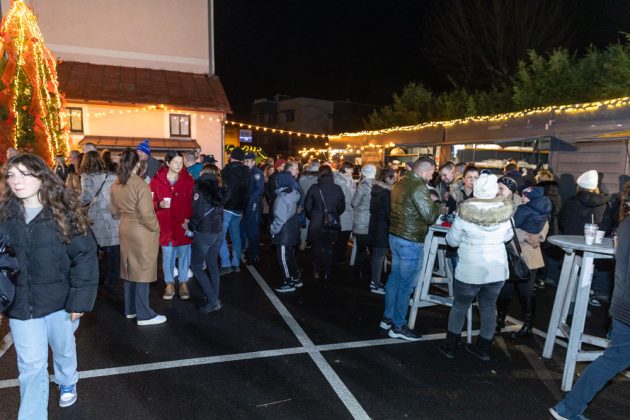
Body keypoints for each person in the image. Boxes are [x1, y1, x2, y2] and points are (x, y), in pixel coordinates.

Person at [0, 154, 98, 417]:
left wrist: (79, 300)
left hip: (60, 302)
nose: (17, 181)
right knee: (31, 367)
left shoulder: (63, 213)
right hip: (21, 307)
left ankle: (67, 379)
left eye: (25, 174)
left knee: (63, 349)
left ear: (42, 176)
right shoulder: (5, 216)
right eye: (12, 175)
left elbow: (84, 256)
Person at [549, 183, 630, 420]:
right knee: (612, 360)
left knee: (610, 361)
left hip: (622, 305)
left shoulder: (625, 225)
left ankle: (568, 408)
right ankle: (568, 409)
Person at [439, 173, 513, 360]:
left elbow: (452, 241)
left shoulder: (465, 212)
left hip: (470, 269)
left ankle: (450, 347)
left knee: (460, 306)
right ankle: (484, 348)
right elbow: (508, 237)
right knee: (488, 307)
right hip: (496, 269)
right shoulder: (505, 212)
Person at [381, 157, 440, 341]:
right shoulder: (419, 187)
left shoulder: (400, 182)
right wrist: (438, 204)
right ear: (423, 171)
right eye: (431, 173)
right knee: (406, 285)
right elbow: (430, 217)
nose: (431, 177)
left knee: (395, 278)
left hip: (395, 236)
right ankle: (398, 326)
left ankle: (388, 318)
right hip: (410, 240)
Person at [110, 149, 165, 325]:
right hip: (141, 231)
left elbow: (114, 211)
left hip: (125, 228)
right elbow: (146, 214)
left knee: (129, 269)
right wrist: (156, 228)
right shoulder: (140, 184)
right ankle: (145, 315)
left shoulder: (116, 184)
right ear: (137, 163)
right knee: (142, 271)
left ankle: (130, 310)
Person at [496, 186, 551, 338]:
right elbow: (509, 229)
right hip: (511, 253)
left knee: (526, 291)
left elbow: (545, 223)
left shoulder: (536, 207)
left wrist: (538, 237)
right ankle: (500, 320)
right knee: (505, 289)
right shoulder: (514, 206)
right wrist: (526, 237)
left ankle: (528, 326)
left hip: (530, 255)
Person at [150, 151, 194, 300]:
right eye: (175, 162)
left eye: (181, 163)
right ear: (168, 163)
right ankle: (169, 283)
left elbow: (193, 202)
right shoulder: (156, 181)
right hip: (166, 225)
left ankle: (183, 282)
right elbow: (148, 202)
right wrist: (158, 204)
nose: (179, 165)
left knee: (183, 256)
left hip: (183, 225)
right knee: (167, 256)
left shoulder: (188, 180)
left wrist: (190, 220)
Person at [79, 151, 120, 295]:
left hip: (98, 217)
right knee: (113, 249)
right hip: (113, 216)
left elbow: (87, 197)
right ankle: (113, 279)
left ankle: (94, 280)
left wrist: (73, 202)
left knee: (93, 250)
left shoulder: (87, 177)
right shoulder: (112, 176)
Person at [188, 164, 226, 313]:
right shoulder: (220, 186)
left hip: (205, 231)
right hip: (218, 230)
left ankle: (212, 300)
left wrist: (191, 226)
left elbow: (197, 210)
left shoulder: (199, 186)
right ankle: (213, 297)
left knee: (196, 266)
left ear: (203, 172)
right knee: (212, 265)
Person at [304, 165, 345, 280]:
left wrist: (312, 216)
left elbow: (307, 206)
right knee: (329, 247)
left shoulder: (314, 188)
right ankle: (327, 271)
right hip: (331, 222)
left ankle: (317, 270)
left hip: (316, 222)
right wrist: (333, 214)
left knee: (317, 247)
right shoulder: (337, 188)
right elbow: (342, 206)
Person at [219, 147, 250, 274]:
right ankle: (236, 263)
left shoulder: (226, 171)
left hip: (227, 208)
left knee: (220, 236)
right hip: (239, 209)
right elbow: (248, 192)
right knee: (236, 236)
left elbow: (222, 189)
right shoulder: (247, 172)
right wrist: (244, 208)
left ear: (232, 157)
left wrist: (221, 203)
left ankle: (226, 263)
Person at [367, 167, 396, 294]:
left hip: (374, 225)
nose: (395, 180)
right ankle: (375, 284)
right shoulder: (385, 193)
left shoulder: (376, 190)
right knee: (379, 257)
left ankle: (375, 281)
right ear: (388, 178)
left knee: (376, 256)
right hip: (382, 228)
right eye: (394, 177)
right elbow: (388, 213)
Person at [271, 171, 302, 292]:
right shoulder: (292, 193)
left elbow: (280, 218)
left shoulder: (282, 197)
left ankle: (288, 282)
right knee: (290, 257)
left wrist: (273, 229)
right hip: (291, 230)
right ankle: (296, 278)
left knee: (283, 258)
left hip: (284, 232)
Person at [558, 169, 611, 235]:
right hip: (594, 240)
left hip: (571, 238)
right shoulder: (604, 204)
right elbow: (608, 225)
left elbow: (562, 221)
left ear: (579, 187)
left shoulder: (571, 202)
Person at [352, 163, 377, 280]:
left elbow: (354, 203)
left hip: (362, 221)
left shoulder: (362, 186)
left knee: (361, 248)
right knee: (372, 248)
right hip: (374, 221)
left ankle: (360, 271)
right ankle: (372, 271)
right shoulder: (379, 185)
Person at [241, 152, 265, 264]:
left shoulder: (257, 173)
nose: (245, 163)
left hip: (253, 205)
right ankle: (251, 251)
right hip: (247, 205)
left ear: (253, 162)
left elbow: (259, 189)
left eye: (247, 161)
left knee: (253, 230)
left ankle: (254, 254)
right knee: (248, 229)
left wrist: (248, 200)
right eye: (244, 161)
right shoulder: (247, 172)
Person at [333, 161, 355, 264]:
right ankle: (339, 258)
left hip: (345, 211)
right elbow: (346, 198)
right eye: (351, 169)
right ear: (346, 169)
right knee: (343, 236)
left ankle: (338, 257)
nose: (352, 171)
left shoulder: (345, 179)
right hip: (345, 211)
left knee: (342, 236)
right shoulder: (341, 181)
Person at [298, 160, 320, 250]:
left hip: (304, 203)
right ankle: (313, 243)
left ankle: (303, 243)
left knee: (305, 225)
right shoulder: (318, 180)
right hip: (315, 204)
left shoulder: (302, 178)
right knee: (315, 224)